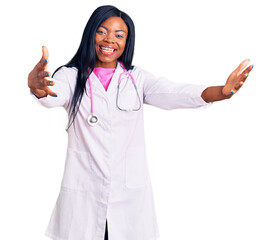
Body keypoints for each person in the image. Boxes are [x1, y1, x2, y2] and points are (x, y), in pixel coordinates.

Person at [27, 5, 253, 240]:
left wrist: (222, 92)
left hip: (129, 200)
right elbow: (54, 95)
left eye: (119, 35)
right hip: (84, 197)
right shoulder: (71, 76)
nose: (109, 40)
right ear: (90, 33)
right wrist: (37, 86)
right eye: (102, 31)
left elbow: (176, 92)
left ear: (127, 41)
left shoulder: (137, 79)